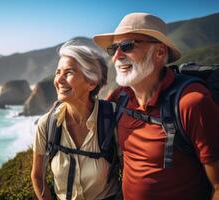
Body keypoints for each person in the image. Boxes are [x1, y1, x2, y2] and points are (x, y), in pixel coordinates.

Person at [93, 12, 219, 200]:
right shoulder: (119, 98)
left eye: (127, 46)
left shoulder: (191, 103)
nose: (117, 56)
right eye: (113, 48)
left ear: (160, 52)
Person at [31, 41, 121, 200]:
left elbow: (130, 172)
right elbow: (37, 176)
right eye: (58, 72)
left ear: (91, 82)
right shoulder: (46, 124)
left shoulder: (112, 117)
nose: (59, 80)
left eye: (69, 73)